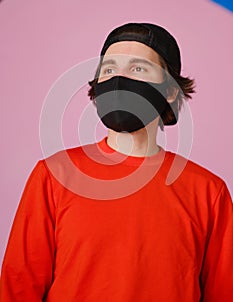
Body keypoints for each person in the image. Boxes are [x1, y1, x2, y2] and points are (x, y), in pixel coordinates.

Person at [0, 23, 232, 301]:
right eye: (109, 70)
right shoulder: (54, 175)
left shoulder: (208, 192)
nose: (119, 80)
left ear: (170, 91)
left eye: (138, 69)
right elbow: (18, 287)